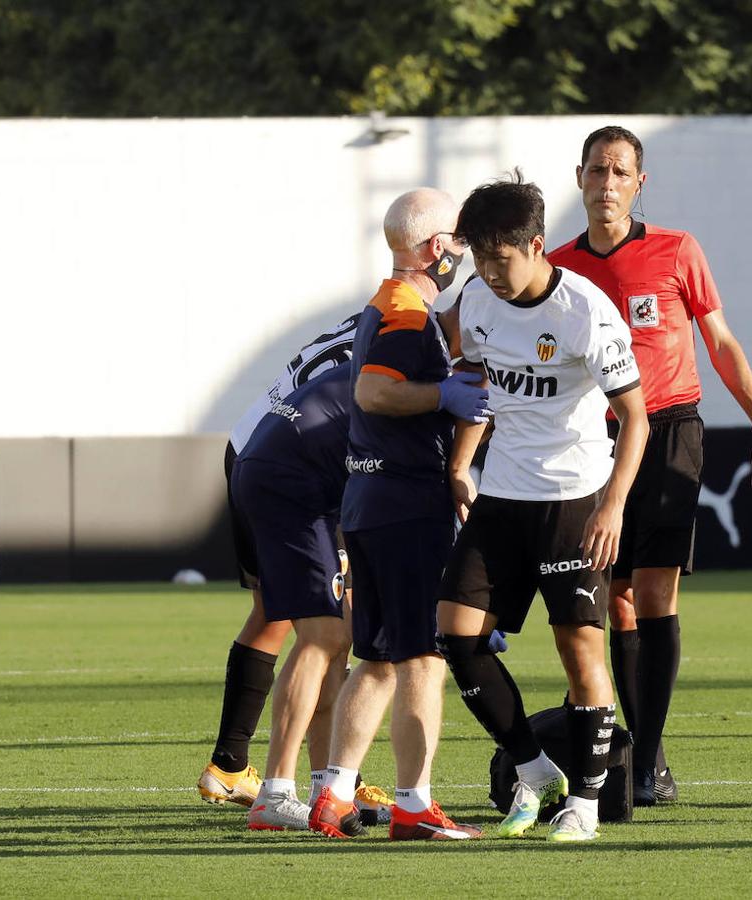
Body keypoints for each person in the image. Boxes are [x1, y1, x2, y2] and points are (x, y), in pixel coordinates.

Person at [547, 125, 752, 805]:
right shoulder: (560, 271)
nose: (607, 184)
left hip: (672, 430)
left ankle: (647, 762)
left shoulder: (677, 251)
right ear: (580, 179)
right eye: (597, 171)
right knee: (613, 600)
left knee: (653, 593)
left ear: (638, 183)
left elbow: (722, 343)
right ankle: (625, 750)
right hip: (594, 445)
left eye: (620, 172)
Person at [436, 173, 648, 843]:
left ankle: (584, 803)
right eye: (478, 258)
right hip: (502, 495)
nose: (490, 273)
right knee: (456, 637)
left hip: (573, 501)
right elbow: (480, 382)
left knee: (578, 646)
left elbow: (635, 419)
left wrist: (612, 505)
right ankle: (533, 770)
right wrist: (460, 463)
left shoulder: (584, 311)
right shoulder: (475, 298)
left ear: (535, 245)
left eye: (500, 258)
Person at [307, 187, 488, 841]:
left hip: (369, 501)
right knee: (422, 659)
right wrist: (447, 392)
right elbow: (373, 391)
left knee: (378, 659)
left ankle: (331, 793)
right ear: (437, 247)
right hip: (408, 507)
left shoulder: (381, 304)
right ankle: (415, 806)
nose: (463, 254)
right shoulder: (408, 310)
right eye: (460, 241)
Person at [198, 312, 362, 809]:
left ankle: (228, 765)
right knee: (332, 625)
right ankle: (330, 782)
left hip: (253, 440)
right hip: (299, 462)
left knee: (275, 609)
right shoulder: (416, 330)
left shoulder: (382, 307)